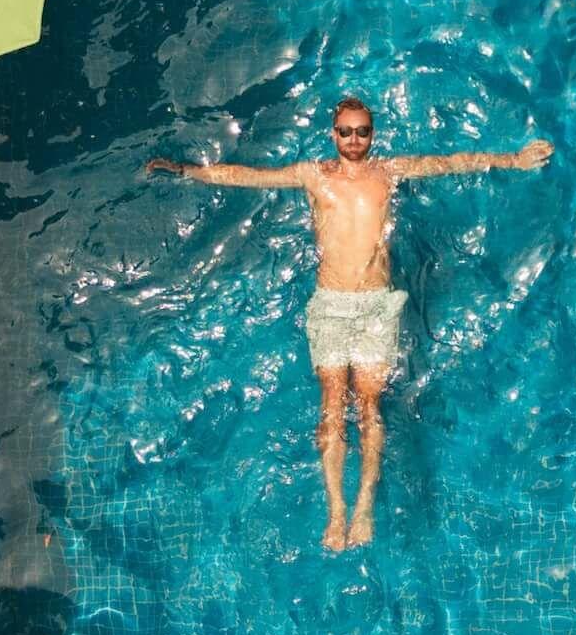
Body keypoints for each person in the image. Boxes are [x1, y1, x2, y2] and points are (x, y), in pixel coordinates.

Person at [146, 97, 553, 552]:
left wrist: (513, 160)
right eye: (346, 131)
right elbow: (247, 176)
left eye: (362, 131)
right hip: (331, 305)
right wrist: (185, 170)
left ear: (372, 134)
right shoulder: (312, 175)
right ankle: (336, 510)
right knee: (332, 404)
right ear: (333, 134)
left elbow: (451, 163)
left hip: (376, 306)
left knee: (369, 405)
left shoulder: (389, 172)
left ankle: (363, 507)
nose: (354, 139)